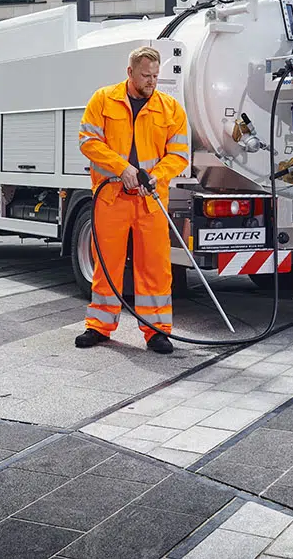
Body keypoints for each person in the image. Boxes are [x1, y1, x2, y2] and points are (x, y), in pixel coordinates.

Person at [74, 47, 190, 354]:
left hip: (150, 200)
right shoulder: (104, 99)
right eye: (145, 75)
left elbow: (179, 155)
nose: (151, 81)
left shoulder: (171, 109)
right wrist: (122, 168)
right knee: (106, 264)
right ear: (130, 73)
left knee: (155, 267)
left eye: (155, 75)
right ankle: (99, 326)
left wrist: (156, 176)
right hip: (111, 197)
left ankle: (156, 332)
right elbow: (88, 141)